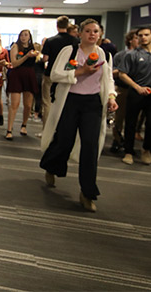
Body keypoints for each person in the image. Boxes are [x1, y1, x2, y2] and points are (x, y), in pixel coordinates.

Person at [40, 19, 118, 212]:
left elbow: (108, 79)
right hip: (70, 101)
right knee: (64, 140)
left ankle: (88, 193)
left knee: (90, 147)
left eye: (95, 31)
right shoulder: (70, 51)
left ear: (99, 34)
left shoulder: (105, 55)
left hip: (92, 104)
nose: (92, 34)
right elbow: (56, 74)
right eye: (88, 31)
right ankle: (52, 166)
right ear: (80, 33)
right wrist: (81, 71)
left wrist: (111, 96)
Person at [118, 26, 151, 165]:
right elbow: (122, 74)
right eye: (140, 35)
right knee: (130, 123)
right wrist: (137, 87)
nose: (143, 37)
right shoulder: (131, 54)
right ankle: (128, 152)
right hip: (136, 92)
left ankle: (146, 150)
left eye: (147, 35)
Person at [41, 16, 76, 127]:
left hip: (51, 73)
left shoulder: (50, 41)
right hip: (68, 74)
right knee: (65, 102)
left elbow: (45, 58)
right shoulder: (75, 41)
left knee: (47, 102)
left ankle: (46, 130)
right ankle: (61, 128)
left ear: (57, 26)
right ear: (67, 26)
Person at [5, 29, 39, 140]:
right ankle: (9, 129)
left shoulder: (33, 47)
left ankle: (24, 125)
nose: (23, 37)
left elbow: (39, 60)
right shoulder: (15, 46)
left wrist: (37, 55)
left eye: (26, 35)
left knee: (28, 105)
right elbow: (14, 64)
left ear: (29, 37)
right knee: (14, 104)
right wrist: (26, 56)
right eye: (22, 35)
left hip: (29, 75)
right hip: (17, 75)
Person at [110, 30, 139, 153]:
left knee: (134, 119)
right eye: (137, 37)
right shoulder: (120, 55)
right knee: (119, 117)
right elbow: (112, 73)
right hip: (123, 88)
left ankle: (128, 143)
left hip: (138, 91)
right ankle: (116, 140)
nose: (140, 40)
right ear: (130, 40)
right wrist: (124, 70)